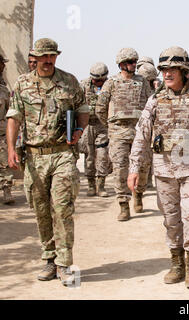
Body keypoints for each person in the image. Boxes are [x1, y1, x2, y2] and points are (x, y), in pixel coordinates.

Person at [127, 46, 189, 289]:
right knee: (171, 220)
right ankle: (176, 263)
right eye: (164, 70)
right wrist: (134, 167)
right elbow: (141, 135)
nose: (167, 74)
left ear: (184, 71)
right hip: (163, 169)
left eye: (172, 69)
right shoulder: (155, 99)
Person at [6, 38, 89, 286]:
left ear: (56, 57)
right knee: (41, 210)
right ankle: (50, 259)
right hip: (34, 156)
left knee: (62, 208)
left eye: (51, 56)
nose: (47, 60)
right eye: (43, 56)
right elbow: (14, 117)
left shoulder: (69, 81)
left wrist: (79, 130)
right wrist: (11, 148)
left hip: (63, 153)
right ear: (35, 57)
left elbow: (83, 109)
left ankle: (64, 263)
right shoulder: (23, 83)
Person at [96, 48, 152, 221]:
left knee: (143, 167)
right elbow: (100, 108)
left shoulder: (142, 81)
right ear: (121, 64)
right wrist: (111, 126)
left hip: (139, 132)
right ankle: (123, 204)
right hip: (118, 132)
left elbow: (151, 104)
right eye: (129, 62)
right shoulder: (111, 82)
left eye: (134, 62)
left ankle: (139, 194)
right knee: (120, 168)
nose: (133, 65)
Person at [78, 62, 112, 197]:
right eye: (95, 80)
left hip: (103, 125)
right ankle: (91, 185)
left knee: (103, 155)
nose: (98, 82)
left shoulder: (109, 85)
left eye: (101, 80)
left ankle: (101, 185)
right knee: (90, 155)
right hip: (88, 125)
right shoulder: (84, 85)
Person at [0, 57, 14, 205]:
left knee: (4, 164)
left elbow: (10, 112)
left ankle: (7, 191)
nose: (3, 66)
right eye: (1, 63)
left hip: (1, 134)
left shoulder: (4, 90)